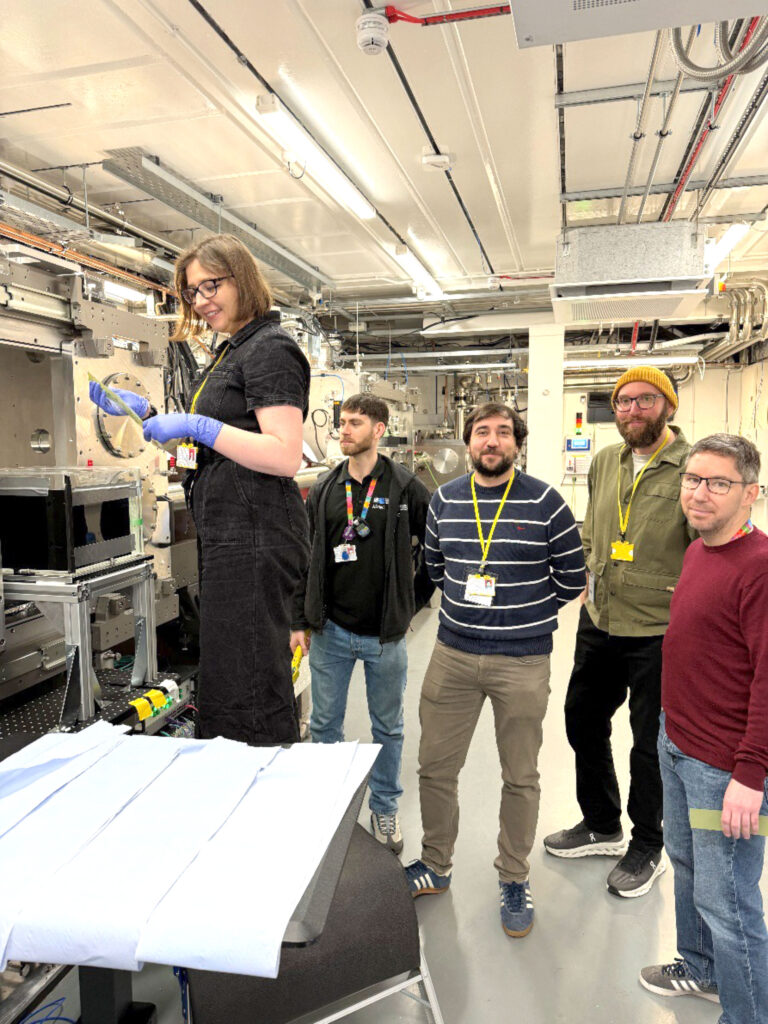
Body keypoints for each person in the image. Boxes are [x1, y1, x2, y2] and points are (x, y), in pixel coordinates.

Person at [90, 233, 310, 745]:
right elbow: (220, 438)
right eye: (192, 291)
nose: (201, 299)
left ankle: (257, 787)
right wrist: (147, 415)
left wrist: (201, 426)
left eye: (212, 284)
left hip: (256, 536)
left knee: (250, 682)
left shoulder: (270, 349)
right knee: (233, 673)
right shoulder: (231, 350)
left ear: (243, 280)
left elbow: (282, 453)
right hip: (233, 535)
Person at [404, 402, 585, 938]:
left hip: (522, 661)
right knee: (435, 768)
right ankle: (435, 863)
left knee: (520, 775)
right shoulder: (445, 500)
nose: (491, 440)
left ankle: (513, 877)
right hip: (452, 654)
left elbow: (571, 580)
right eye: (481, 432)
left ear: (517, 444)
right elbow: (435, 567)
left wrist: (521, 616)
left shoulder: (547, 503)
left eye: (503, 432)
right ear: (467, 442)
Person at [544, 365, 693, 897]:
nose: (631, 411)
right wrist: (585, 571)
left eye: (645, 400)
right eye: (624, 401)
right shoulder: (606, 460)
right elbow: (596, 526)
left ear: (668, 406)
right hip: (601, 617)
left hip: (659, 629)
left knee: (650, 744)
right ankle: (602, 824)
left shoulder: (688, 467)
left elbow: (702, 548)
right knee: (582, 718)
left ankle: (648, 845)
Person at [640, 434, 768, 1023]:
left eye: (718, 483)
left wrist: (751, 773)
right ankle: (701, 967)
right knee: (686, 865)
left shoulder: (760, 569)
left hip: (725, 769)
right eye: (693, 479)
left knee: (730, 903)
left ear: (751, 494)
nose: (700, 493)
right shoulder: (700, 549)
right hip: (680, 745)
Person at [290, 394, 433, 853]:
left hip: (384, 636)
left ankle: (385, 810)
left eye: (354, 423)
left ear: (379, 428)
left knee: (387, 727)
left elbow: (435, 549)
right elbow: (307, 557)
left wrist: (413, 603)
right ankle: (331, 803)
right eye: (342, 423)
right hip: (330, 632)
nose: (343, 431)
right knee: (326, 725)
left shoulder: (407, 487)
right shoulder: (328, 487)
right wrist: (300, 618)